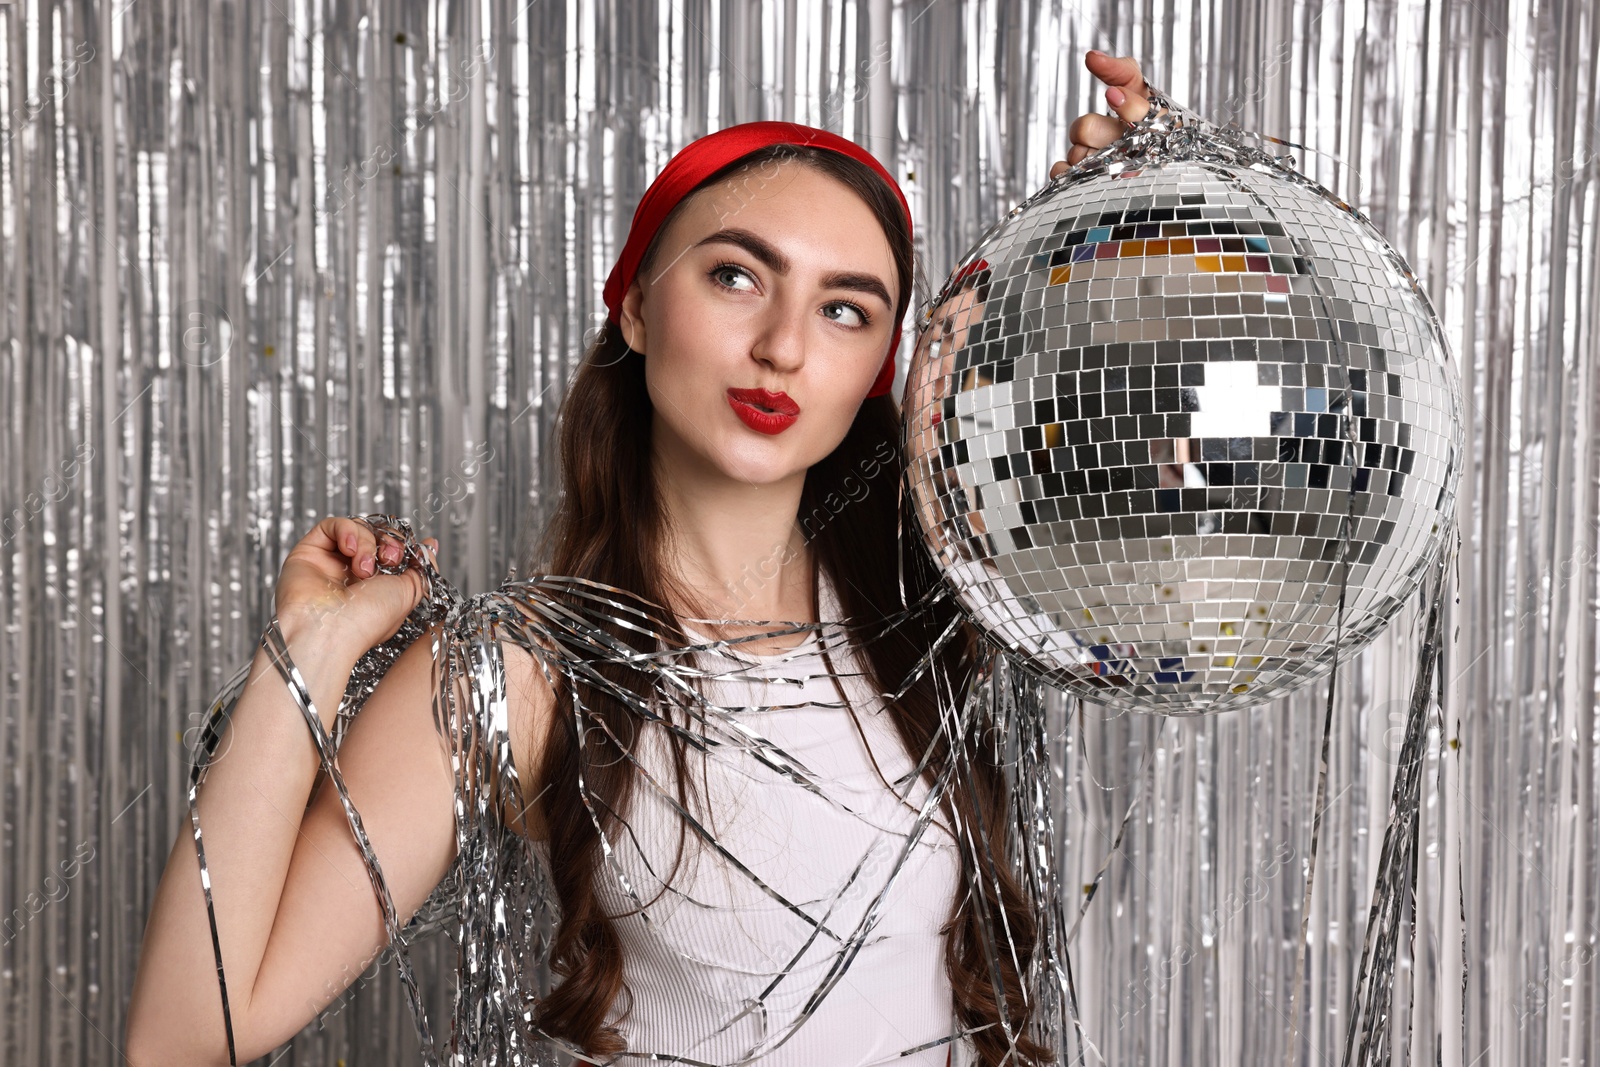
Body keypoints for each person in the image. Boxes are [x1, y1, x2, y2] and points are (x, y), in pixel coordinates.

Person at [125, 51, 1156, 1067]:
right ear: (635, 305)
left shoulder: (942, 604)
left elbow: (1177, 490)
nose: (784, 345)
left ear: (876, 373)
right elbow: (188, 1033)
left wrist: (1121, 229)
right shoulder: (517, 669)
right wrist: (305, 651)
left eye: (845, 309)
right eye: (735, 276)